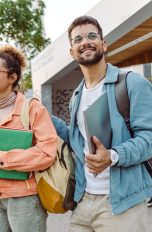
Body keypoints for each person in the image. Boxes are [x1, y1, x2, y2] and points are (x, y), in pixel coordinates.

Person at [54, 15, 152, 232]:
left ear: (103, 44)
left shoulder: (131, 83)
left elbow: (149, 138)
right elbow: (78, 142)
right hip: (84, 200)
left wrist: (113, 156)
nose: (85, 42)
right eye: (78, 39)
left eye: (92, 36)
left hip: (123, 204)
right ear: (72, 52)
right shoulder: (76, 96)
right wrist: (42, 115)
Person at [0, 44, 58, 232]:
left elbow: (47, 152)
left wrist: (4, 158)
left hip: (24, 198)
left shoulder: (32, 108)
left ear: (12, 77)